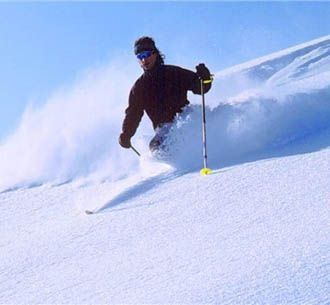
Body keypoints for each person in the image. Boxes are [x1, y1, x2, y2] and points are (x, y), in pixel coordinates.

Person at [119, 36, 212, 152]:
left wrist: (205, 78)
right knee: (155, 148)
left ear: (155, 54)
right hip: (165, 132)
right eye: (140, 57)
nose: (144, 60)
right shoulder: (139, 88)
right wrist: (126, 134)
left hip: (186, 121)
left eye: (146, 55)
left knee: (161, 144)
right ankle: (182, 166)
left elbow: (201, 88)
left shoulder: (173, 73)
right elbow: (133, 113)